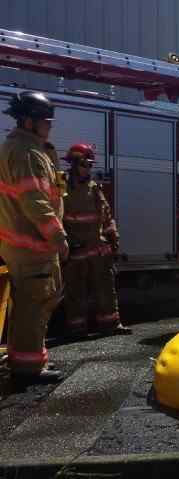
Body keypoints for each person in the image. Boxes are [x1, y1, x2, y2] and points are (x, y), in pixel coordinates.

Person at [0, 91, 68, 383]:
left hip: (23, 245)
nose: (49, 126)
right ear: (29, 122)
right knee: (33, 305)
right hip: (33, 246)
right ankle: (28, 369)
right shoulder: (27, 153)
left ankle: (24, 360)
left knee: (32, 302)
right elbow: (35, 201)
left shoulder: (22, 148)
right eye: (45, 122)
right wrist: (59, 237)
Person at [61, 143, 130, 336]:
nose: (88, 169)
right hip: (76, 250)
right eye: (85, 164)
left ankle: (110, 324)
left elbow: (107, 216)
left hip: (98, 249)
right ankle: (77, 328)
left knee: (106, 288)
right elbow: (56, 217)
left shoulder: (94, 187)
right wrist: (64, 243)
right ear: (74, 165)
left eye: (90, 165)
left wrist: (113, 239)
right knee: (76, 291)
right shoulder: (62, 188)